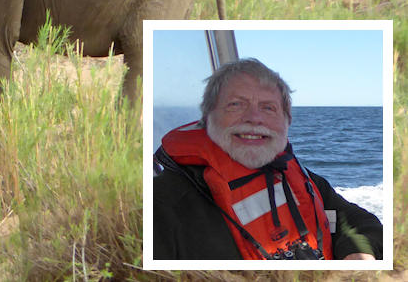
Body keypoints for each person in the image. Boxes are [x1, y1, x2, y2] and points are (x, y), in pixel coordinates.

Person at [153, 58, 382, 260]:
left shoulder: (300, 178)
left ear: (286, 122)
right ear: (207, 118)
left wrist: (357, 251)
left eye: (269, 108)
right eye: (236, 104)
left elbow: (352, 220)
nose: (254, 118)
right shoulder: (162, 205)